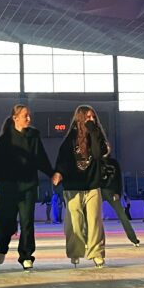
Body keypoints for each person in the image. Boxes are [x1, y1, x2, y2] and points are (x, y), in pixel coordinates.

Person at [0, 105, 58, 270]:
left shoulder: (33, 136)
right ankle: (2, 247)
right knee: (5, 221)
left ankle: (26, 256)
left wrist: (51, 173)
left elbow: (41, 157)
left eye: (29, 115)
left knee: (27, 222)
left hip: (28, 186)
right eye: (25, 116)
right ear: (15, 118)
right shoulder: (5, 138)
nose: (29, 119)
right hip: (8, 187)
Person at [55, 105, 108, 268]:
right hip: (73, 186)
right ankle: (75, 252)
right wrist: (59, 173)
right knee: (74, 222)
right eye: (88, 117)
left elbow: (98, 155)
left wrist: (93, 132)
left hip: (92, 185)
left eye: (93, 117)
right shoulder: (70, 139)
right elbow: (62, 159)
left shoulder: (97, 136)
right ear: (80, 119)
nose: (91, 120)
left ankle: (96, 253)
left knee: (95, 221)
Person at [101, 154, 140, 247]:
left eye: (108, 147)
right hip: (97, 191)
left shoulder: (113, 162)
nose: (106, 149)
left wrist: (118, 192)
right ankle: (92, 240)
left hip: (111, 191)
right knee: (92, 216)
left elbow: (118, 178)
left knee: (122, 215)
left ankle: (133, 238)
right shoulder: (96, 161)